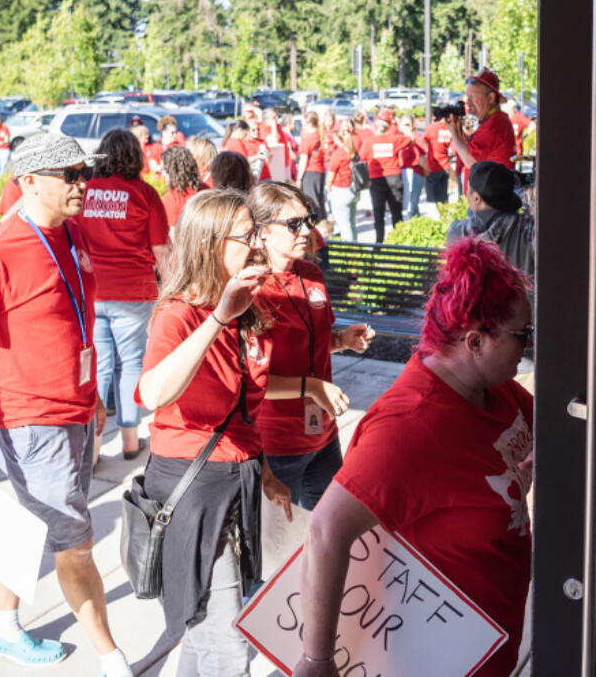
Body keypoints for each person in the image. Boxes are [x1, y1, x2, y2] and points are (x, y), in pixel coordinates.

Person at [292, 237, 533, 677]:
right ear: (475, 342)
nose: (528, 347)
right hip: (428, 656)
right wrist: (317, 660)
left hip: (488, 644)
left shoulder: (493, 389)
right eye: (523, 335)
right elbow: (327, 530)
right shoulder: (411, 425)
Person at [135, 188, 347, 676]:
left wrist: (266, 472)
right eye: (247, 234)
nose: (256, 244)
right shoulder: (182, 311)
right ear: (211, 244)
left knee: (208, 632)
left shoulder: (249, 307)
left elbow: (245, 407)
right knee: (228, 645)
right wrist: (218, 317)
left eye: (256, 232)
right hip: (195, 488)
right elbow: (152, 393)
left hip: (241, 478)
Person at [0, 133, 132, 676]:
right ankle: (112, 658)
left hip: (74, 410)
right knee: (75, 546)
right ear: (29, 182)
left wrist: (92, 397)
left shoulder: (73, 233)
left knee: (36, 526)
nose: (82, 185)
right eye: (69, 176)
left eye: (84, 174)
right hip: (31, 422)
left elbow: (74, 321)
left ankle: (0, 625)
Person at [248, 182, 371, 510]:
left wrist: (342, 341)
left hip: (323, 435)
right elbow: (252, 382)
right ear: (261, 234)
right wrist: (313, 387)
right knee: (282, 548)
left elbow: (311, 343)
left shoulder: (311, 273)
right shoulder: (251, 291)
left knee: (325, 532)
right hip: (275, 445)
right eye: (293, 224)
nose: (305, 231)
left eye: (308, 220)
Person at [73, 129, 169, 462]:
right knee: (131, 366)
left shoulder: (86, 192)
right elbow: (161, 251)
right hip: (134, 291)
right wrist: (172, 291)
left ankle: (94, 450)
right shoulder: (145, 194)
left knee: (98, 367)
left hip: (93, 291)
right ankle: (130, 441)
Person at [446, 161, 535, 276]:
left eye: (469, 189)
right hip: (522, 294)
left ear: (477, 199)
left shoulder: (457, 233)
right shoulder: (529, 230)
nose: (466, 194)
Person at [447, 68, 517, 193]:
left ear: (491, 98)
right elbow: (472, 149)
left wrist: (453, 131)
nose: (467, 102)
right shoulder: (494, 120)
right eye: (467, 97)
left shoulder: (494, 123)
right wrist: (457, 129)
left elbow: (470, 160)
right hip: (488, 201)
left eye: (473, 97)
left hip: (490, 203)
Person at [355, 109, 410, 243]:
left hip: (376, 179)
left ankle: (379, 242)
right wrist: (397, 125)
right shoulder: (395, 139)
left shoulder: (369, 142)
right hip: (395, 177)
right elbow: (410, 139)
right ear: (389, 125)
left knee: (378, 214)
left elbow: (362, 157)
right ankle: (399, 242)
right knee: (396, 213)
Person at [324, 126, 357, 241]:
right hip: (353, 190)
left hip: (341, 190)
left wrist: (328, 189)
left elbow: (330, 175)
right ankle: (356, 249)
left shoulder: (338, 153)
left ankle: (349, 253)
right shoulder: (352, 151)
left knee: (344, 225)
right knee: (352, 223)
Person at [160, 145, 203, 232]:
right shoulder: (205, 189)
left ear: (173, 171)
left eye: (164, 169)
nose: (162, 174)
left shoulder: (172, 197)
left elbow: (173, 234)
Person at [296, 110, 328, 221]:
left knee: (312, 202)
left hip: (310, 172)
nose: (303, 127)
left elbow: (303, 160)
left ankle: (317, 226)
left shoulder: (308, 139)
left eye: (303, 124)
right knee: (319, 200)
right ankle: (323, 224)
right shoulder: (319, 135)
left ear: (309, 124)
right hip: (320, 171)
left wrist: (299, 179)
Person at [396, 114, 428, 221]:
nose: (407, 127)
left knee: (411, 204)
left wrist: (428, 173)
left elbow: (423, 159)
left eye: (408, 125)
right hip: (403, 172)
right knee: (411, 204)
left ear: (413, 125)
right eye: (404, 125)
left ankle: (413, 225)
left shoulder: (416, 138)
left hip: (414, 172)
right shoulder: (400, 137)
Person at [422, 112, 454, 207]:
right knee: (444, 195)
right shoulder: (450, 129)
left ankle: (443, 218)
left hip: (434, 166)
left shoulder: (432, 128)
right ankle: (446, 216)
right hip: (446, 165)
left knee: (437, 198)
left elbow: (423, 142)